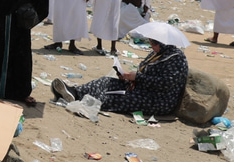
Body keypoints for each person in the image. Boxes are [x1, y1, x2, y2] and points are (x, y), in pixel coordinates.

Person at [52, 36, 189, 116]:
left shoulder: (176, 59)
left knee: (114, 98)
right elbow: (144, 70)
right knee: (106, 82)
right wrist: (127, 76)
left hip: (159, 99)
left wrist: (138, 78)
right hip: (141, 87)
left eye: (154, 43)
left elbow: (166, 83)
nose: (152, 46)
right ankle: (74, 92)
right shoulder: (157, 53)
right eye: (151, 43)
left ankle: (81, 101)